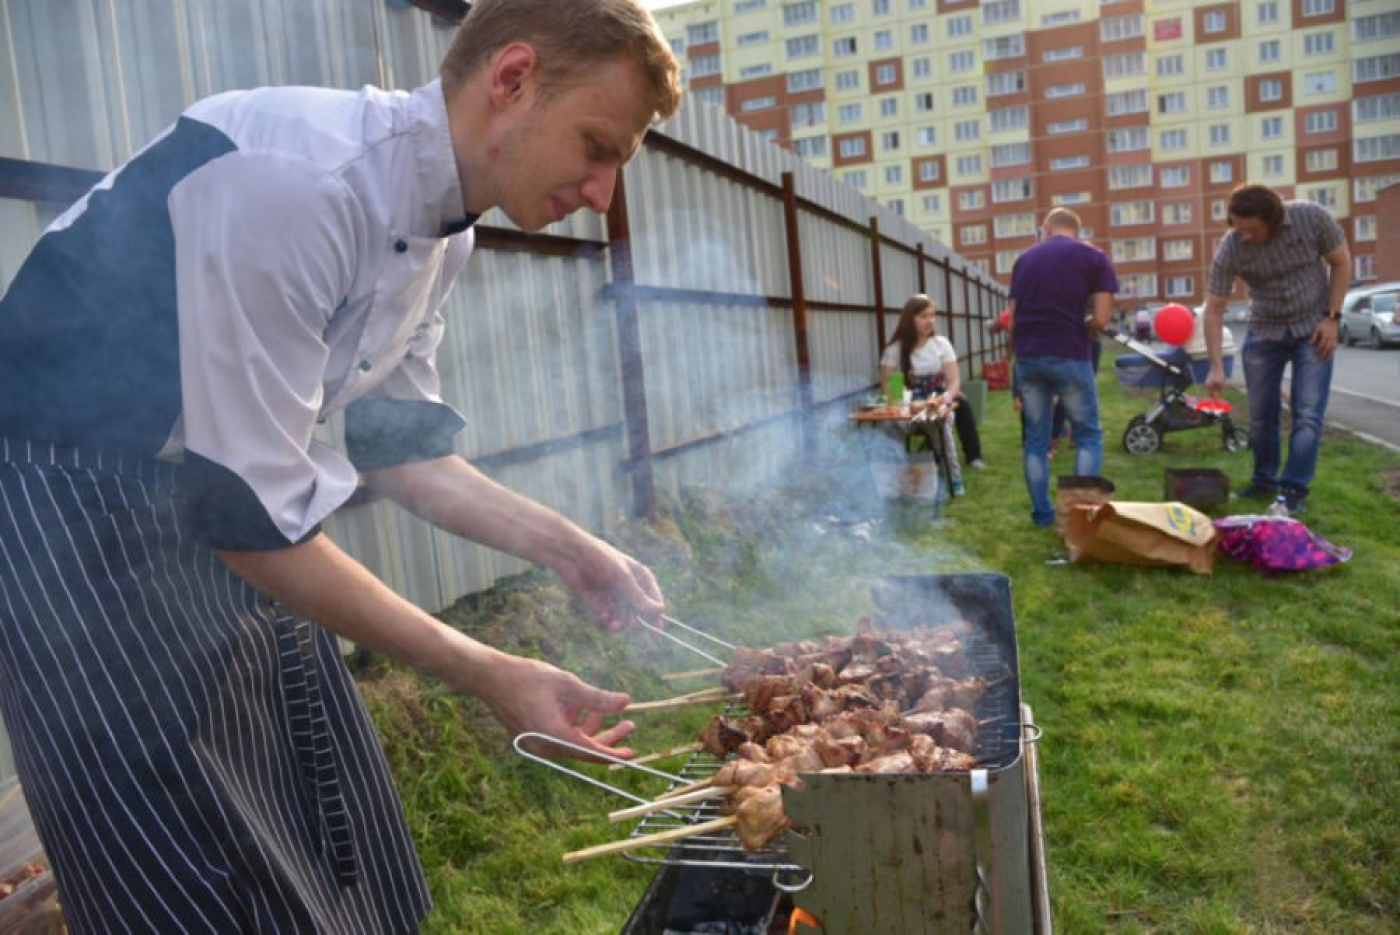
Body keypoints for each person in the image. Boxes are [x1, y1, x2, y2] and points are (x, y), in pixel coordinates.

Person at [0, 0, 682, 930]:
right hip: (63, 508)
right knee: (191, 867)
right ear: (513, 79)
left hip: (209, 500)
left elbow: (400, 451)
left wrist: (573, 551)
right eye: (597, 146)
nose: (603, 191)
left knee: (333, 815)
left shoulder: (445, 227)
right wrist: (487, 671)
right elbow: (248, 513)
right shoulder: (297, 184)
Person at [1202, 184, 1350, 517]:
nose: (1245, 236)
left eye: (1252, 229)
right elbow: (1214, 307)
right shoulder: (1232, 247)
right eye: (1239, 228)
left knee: (1308, 412)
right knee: (1259, 415)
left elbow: (1341, 262)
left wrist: (1332, 318)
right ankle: (1264, 481)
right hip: (1264, 330)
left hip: (1312, 327)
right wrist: (1216, 366)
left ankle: (1293, 490)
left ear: (1275, 219)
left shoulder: (1312, 218)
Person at [1006, 208, 1118, 528]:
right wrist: (1082, 324)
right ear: (1076, 230)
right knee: (1087, 436)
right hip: (1070, 353)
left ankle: (1043, 516)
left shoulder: (1024, 260)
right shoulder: (1093, 257)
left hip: (1028, 357)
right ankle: (1079, 516)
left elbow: (1012, 321)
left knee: (1036, 442)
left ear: (1046, 228)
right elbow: (1101, 318)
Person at [878, 294, 983, 497]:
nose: (930, 321)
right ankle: (894, 483)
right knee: (889, 425)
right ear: (910, 319)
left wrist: (945, 399)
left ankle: (953, 478)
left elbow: (953, 382)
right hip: (907, 403)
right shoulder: (894, 349)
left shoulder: (941, 344)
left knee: (941, 426)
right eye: (923, 316)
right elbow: (888, 388)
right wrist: (902, 403)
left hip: (937, 399)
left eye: (932, 316)